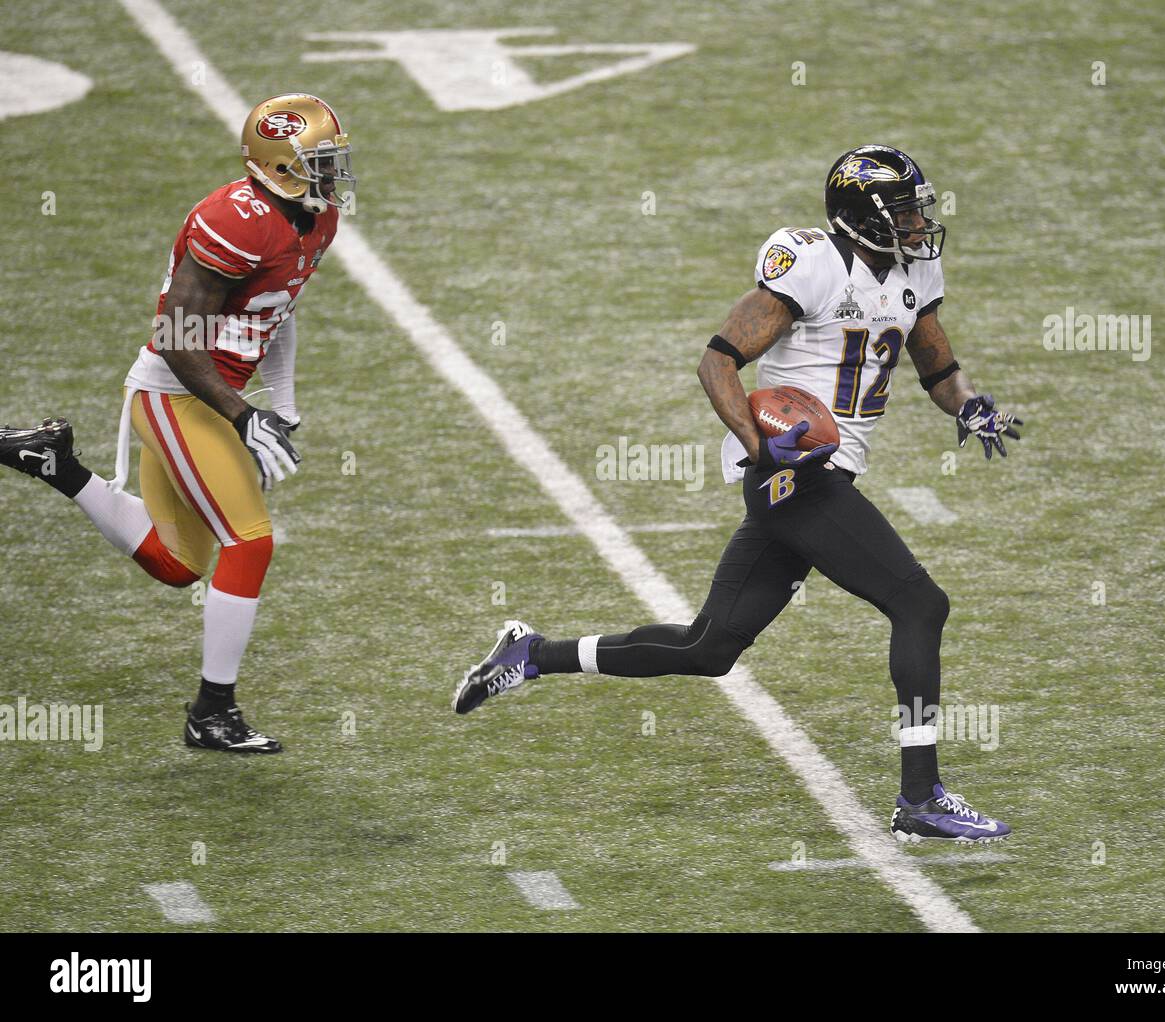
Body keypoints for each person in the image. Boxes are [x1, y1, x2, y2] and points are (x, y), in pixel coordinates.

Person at [453, 145, 1022, 843]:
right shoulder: (811, 263)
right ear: (861, 217)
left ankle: (533, 653)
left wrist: (967, 405)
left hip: (821, 477)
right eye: (902, 210)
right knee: (919, 603)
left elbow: (938, 366)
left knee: (708, 647)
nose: (916, 223)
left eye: (915, 209)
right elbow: (718, 360)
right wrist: (761, 447)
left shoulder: (914, 270)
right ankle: (920, 797)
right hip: (796, 478)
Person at [0, 93, 355, 754]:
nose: (336, 172)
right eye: (322, 160)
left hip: (211, 393)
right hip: (176, 391)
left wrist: (285, 401)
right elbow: (175, 336)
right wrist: (243, 416)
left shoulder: (315, 218)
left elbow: (276, 310)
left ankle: (54, 462)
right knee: (251, 542)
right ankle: (211, 714)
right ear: (283, 167)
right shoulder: (237, 221)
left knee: (178, 564)